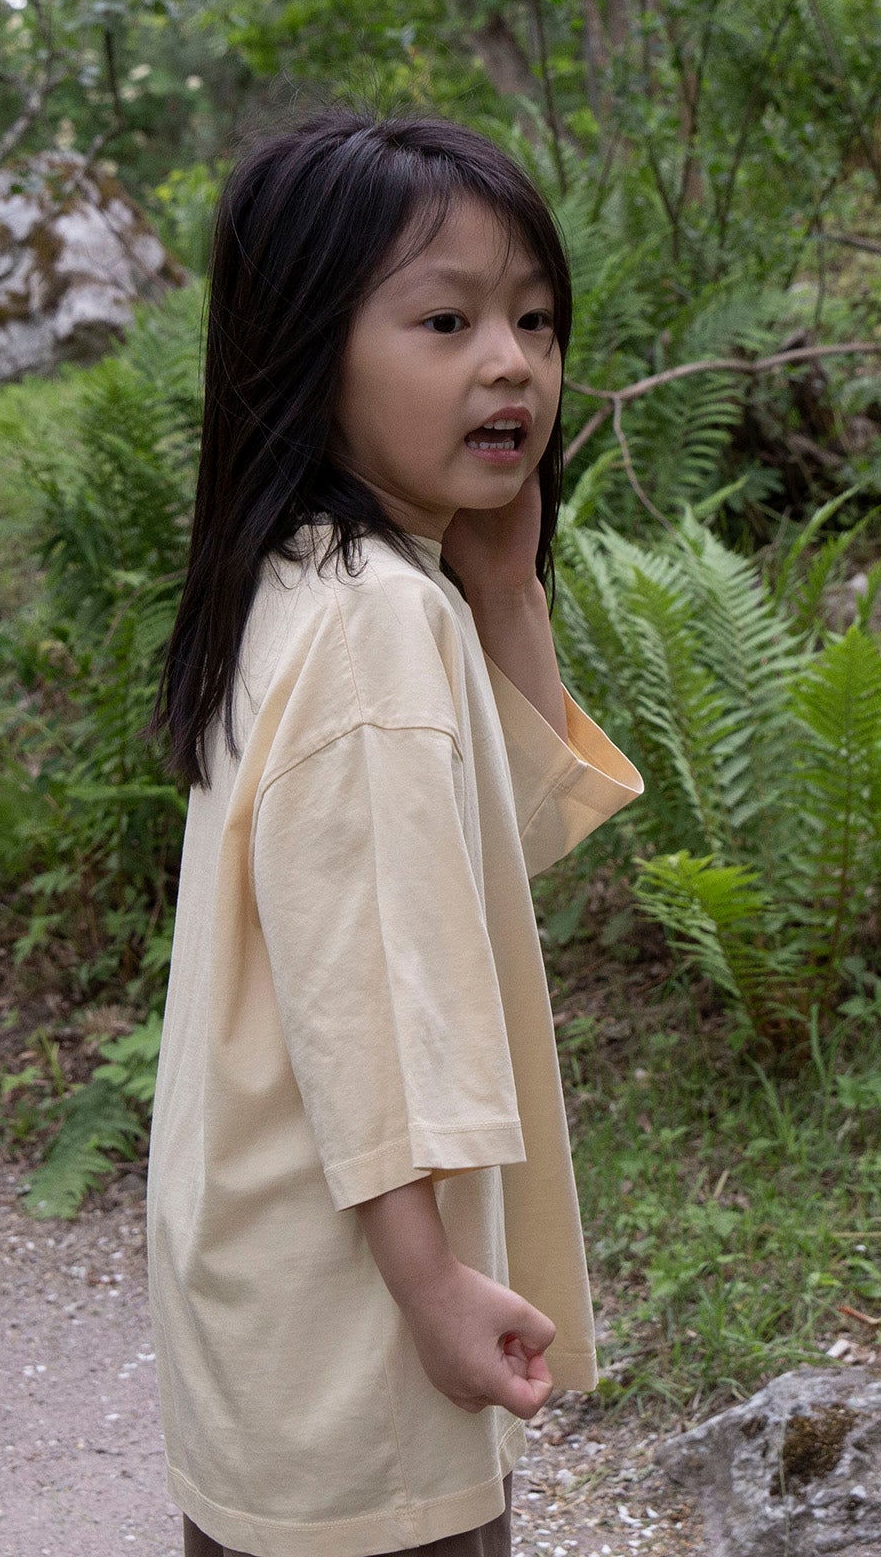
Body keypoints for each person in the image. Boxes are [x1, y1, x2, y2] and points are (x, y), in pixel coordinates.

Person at [146, 110, 643, 1557]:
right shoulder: (373, 621)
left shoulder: (308, 578)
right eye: (446, 319)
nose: (513, 364)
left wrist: (507, 590)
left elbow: (479, 864)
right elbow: (378, 1003)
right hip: (364, 1302)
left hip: (275, 1290)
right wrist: (433, 1288)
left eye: (536, 321)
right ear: (308, 351)